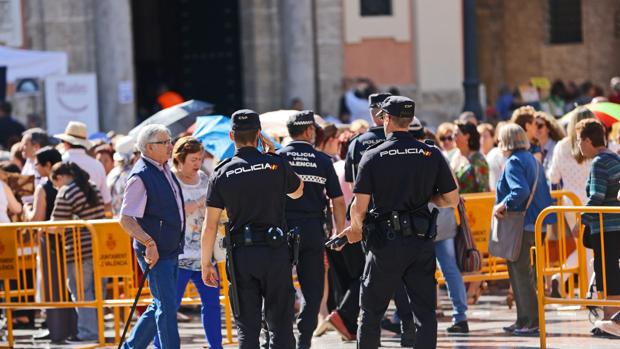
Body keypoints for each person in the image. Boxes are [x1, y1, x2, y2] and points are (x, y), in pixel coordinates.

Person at [341, 96, 459, 349]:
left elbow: (359, 206)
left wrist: (355, 230)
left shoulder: (373, 156)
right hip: (420, 241)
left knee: (371, 312)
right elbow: (451, 199)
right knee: (425, 314)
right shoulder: (431, 153)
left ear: (387, 119)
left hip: (385, 243)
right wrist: (428, 197)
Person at [200, 109, 304, 349]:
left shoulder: (222, 172)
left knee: (247, 328)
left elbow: (210, 226)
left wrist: (206, 263)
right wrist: (275, 156)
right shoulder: (275, 165)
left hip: (241, 257)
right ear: (259, 134)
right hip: (275, 253)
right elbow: (298, 191)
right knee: (281, 325)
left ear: (230, 135)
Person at [322, 93, 390, 342]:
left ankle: (355, 322)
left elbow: (353, 185)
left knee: (366, 273)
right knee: (375, 273)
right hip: (389, 216)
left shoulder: (357, 143)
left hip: (360, 217)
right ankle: (350, 317)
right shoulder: (398, 140)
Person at [276, 110, 346, 348]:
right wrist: (339, 231)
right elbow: (338, 200)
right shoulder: (324, 161)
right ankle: (303, 338)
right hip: (313, 229)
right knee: (313, 289)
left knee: (279, 287)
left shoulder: (277, 158)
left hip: (282, 229)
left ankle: (278, 337)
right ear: (308, 131)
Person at [119, 124, 186, 348]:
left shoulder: (161, 168)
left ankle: (131, 347)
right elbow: (126, 218)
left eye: (170, 140)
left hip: (168, 247)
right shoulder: (140, 176)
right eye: (164, 142)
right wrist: (148, 242)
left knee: (163, 304)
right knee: (166, 307)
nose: (170, 146)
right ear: (149, 147)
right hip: (156, 250)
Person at [152, 136, 222, 349]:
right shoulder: (170, 180)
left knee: (212, 305)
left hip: (204, 255)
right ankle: (159, 345)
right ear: (179, 159)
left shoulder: (205, 178)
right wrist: (199, 203)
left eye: (200, 158)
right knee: (169, 306)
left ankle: (215, 346)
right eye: (193, 159)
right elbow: (169, 211)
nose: (197, 163)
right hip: (178, 255)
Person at [493, 124, 556, 336]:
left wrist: (503, 204)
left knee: (520, 274)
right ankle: (523, 319)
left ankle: (530, 321)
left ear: (506, 141)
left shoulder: (513, 162)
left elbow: (520, 191)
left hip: (522, 224)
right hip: (537, 223)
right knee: (523, 273)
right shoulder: (532, 159)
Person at [50, 162, 106, 342]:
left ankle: (89, 333)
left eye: (54, 183)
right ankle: (98, 332)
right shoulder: (92, 187)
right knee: (97, 293)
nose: (56, 187)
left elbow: (55, 226)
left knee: (81, 292)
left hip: (78, 249)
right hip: (100, 248)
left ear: (60, 177)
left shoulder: (66, 193)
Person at [24, 147, 75, 344]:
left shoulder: (43, 188)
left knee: (53, 286)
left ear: (47, 165)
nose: (35, 167)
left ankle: (57, 329)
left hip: (50, 241)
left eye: (37, 163)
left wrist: (27, 209)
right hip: (71, 240)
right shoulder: (71, 183)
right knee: (71, 284)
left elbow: (36, 218)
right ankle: (72, 327)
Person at [575, 119, 620, 325]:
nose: (578, 146)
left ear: (587, 140)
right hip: (615, 225)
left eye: (578, 141)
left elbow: (597, 196)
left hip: (606, 227)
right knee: (610, 271)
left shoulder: (599, 161)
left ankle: (611, 320)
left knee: (607, 272)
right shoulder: (614, 158)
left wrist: (581, 221)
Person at [54, 121, 112, 212]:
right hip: (94, 222)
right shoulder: (97, 165)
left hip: (65, 220)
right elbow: (107, 202)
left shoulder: (59, 162)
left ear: (66, 143)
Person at [452, 121, 490, 193]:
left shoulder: (478, 160)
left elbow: (484, 190)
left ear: (467, 136)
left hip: (473, 202)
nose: (453, 137)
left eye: (456, 134)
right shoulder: (455, 156)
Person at [107, 136, 139, 217]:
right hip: (131, 224)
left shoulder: (112, 173)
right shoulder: (134, 175)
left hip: (115, 222)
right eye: (136, 153)